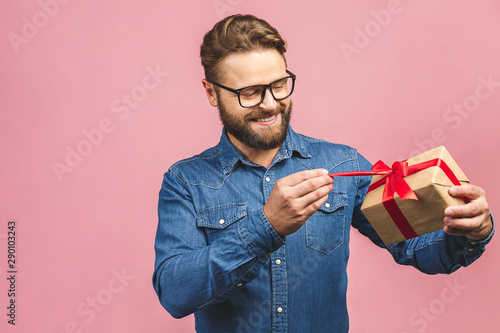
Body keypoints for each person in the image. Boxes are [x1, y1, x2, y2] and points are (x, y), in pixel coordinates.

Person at [152, 14, 494, 333]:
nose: (270, 104)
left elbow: (416, 248)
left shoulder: (342, 164)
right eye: (250, 92)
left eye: (279, 85)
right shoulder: (185, 182)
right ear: (212, 92)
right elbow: (175, 293)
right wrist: (266, 226)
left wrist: (469, 231)